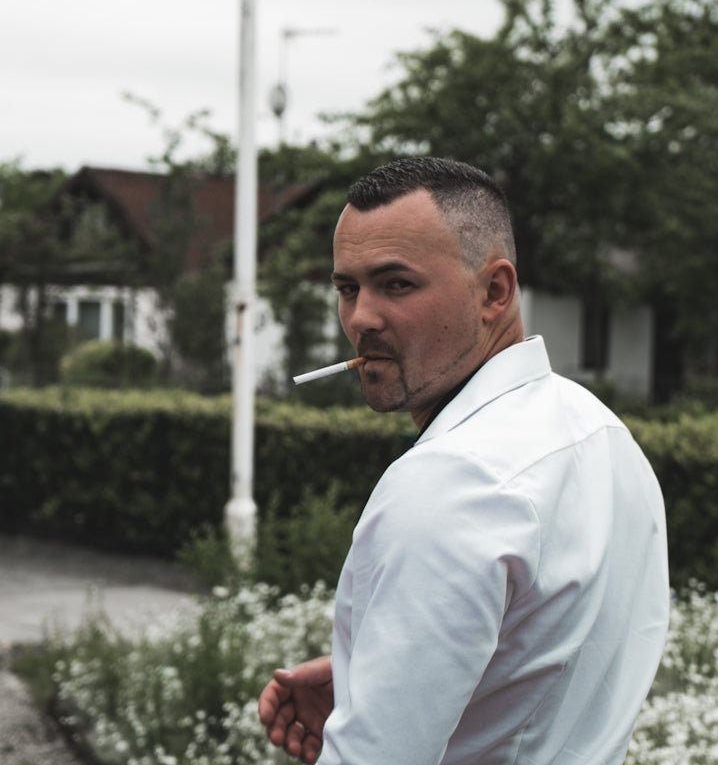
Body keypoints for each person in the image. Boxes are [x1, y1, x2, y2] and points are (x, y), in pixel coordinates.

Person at [258, 157, 669, 764]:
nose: (361, 319)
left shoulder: (449, 482)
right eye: (348, 288)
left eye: (396, 284)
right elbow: (555, 665)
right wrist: (384, 676)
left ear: (494, 292)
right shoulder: (600, 432)